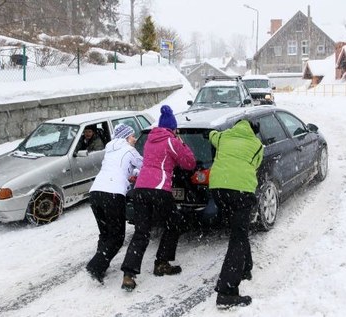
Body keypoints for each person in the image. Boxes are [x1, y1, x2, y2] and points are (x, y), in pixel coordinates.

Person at [120, 105, 196, 291]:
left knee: (142, 232)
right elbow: (189, 163)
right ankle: (161, 263)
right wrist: (181, 142)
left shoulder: (149, 140)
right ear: (172, 128)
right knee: (174, 223)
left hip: (140, 190)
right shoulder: (171, 141)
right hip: (159, 189)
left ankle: (129, 274)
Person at [208, 119, 263, 309]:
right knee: (238, 237)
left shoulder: (223, 137)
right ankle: (226, 293)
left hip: (218, 190)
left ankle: (245, 268)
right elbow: (255, 165)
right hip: (241, 191)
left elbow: (211, 135)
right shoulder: (257, 145)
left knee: (239, 231)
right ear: (253, 131)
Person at [86, 124, 143, 283]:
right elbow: (144, 166)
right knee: (117, 237)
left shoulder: (110, 150)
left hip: (96, 192)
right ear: (126, 137)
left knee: (105, 233)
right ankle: (95, 267)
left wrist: (132, 174)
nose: (135, 139)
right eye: (132, 136)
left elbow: (122, 168)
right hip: (113, 194)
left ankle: (101, 265)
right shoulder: (130, 150)